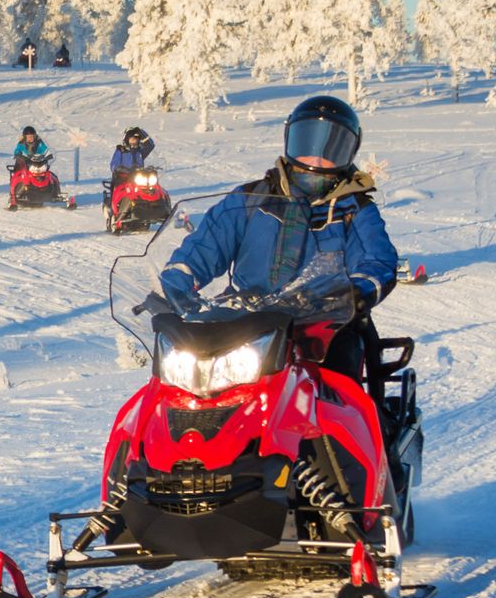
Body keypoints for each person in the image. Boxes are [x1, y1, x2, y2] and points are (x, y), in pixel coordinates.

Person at [157, 95, 397, 388]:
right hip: (244, 317)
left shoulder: (354, 209)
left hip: (322, 323)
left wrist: (354, 293)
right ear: (290, 141)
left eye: (331, 149)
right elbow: (206, 246)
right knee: (180, 379)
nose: (316, 159)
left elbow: (377, 261)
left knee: (340, 383)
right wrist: (178, 283)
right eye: (307, 144)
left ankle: (345, 432)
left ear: (348, 153)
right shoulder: (250, 199)